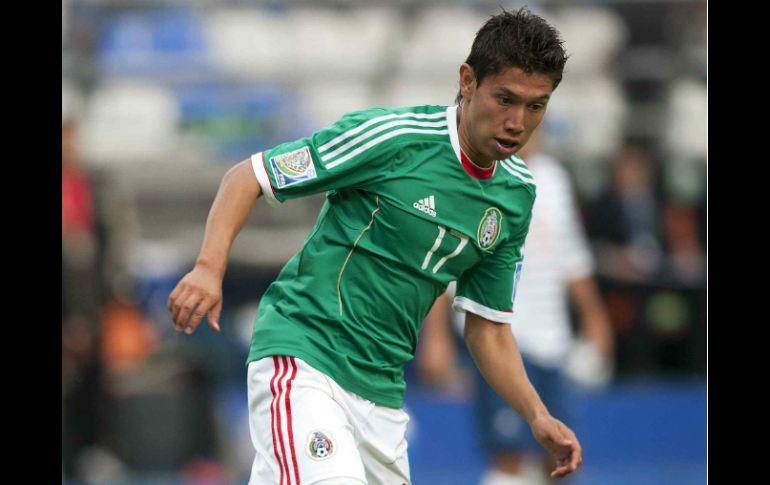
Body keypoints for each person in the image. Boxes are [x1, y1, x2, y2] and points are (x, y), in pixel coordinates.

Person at [167, 8, 582, 485]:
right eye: (505, 99)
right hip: (306, 358)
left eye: (535, 106)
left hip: (381, 395)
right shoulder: (394, 139)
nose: (516, 122)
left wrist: (536, 415)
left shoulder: (516, 195)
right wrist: (208, 268)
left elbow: (487, 328)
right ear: (467, 81)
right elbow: (248, 177)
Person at [420, 131, 614, 485]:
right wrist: (437, 338)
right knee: (509, 455)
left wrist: (594, 318)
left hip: (553, 341)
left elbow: (571, 256)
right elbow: (444, 263)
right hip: (498, 339)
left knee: (560, 456)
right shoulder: (471, 177)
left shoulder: (553, 180)